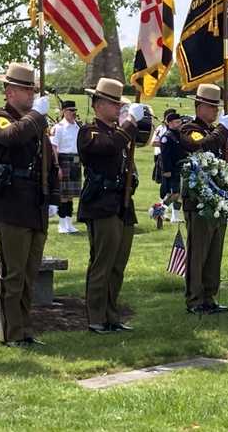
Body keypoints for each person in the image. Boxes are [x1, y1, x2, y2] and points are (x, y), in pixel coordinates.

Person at [0, 62, 59, 347]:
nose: (31, 95)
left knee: (29, 273)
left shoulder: (35, 122)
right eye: (27, 90)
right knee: (13, 273)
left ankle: (24, 329)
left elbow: (48, 161)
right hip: (11, 204)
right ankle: (10, 332)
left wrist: (53, 199)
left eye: (33, 90)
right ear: (10, 91)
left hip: (35, 203)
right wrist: (37, 115)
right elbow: (11, 137)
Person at [77, 78, 152, 334]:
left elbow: (131, 144)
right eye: (112, 103)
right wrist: (129, 123)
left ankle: (111, 314)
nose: (117, 107)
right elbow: (108, 148)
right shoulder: (90, 131)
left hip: (122, 203)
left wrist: (133, 125)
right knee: (102, 262)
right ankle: (95, 316)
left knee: (118, 264)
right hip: (101, 203)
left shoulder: (118, 131)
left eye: (119, 104)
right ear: (97, 104)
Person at [176, 83, 228, 314]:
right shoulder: (190, 128)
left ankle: (210, 296)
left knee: (214, 252)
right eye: (211, 107)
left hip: (217, 200)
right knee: (198, 251)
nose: (215, 111)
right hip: (198, 200)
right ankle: (195, 298)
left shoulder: (213, 129)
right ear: (199, 106)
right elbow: (201, 146)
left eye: (216, 107)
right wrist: (222, 130)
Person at [50, 100, 82, 234]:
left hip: (75, 161)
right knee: (63, 194)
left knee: (71, 195)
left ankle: (69, 222)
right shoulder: (58, 128)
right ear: (64, 111)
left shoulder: (77, 127)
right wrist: (57, 166)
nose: (74, 113)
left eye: (75, 111)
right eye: (71, 111)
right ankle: (61, 224)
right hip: (63, 160)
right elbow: (54, 148)